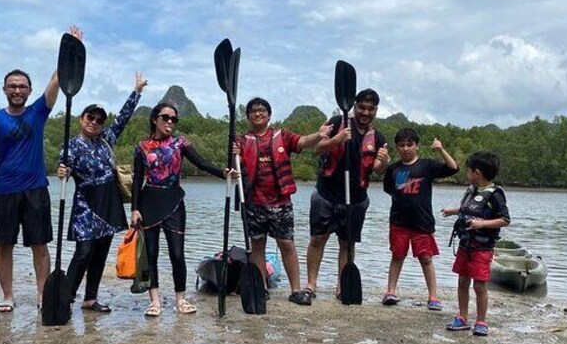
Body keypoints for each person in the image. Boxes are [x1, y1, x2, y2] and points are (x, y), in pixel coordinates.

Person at [0, 25, 81, 312]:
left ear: (29, 90)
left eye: (22, 86)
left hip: (35, 189)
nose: (17, 90)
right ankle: (8, 297)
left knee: (39, 245)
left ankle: (43, 296)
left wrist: (71, 50)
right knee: (4, 246)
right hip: (4, 190)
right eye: (12, 86)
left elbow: (57, 80)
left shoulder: (38, 112)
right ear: (5, 90)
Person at [130, 102, 234, 317]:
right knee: (151, 254)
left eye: (174, 119)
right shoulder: (141, 147)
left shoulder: (180, 143)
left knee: (177, 254)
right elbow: (137, 180)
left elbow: (201, 163)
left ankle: (180, 299)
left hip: (175, 202)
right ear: (154, 119)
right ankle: (155, 301)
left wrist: (222, 173)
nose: (170, 122)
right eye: (165, 117)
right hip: (149, 202)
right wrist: (134, 209)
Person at [56, 72, 148, 312]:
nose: (94, 122)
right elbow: (63, 165)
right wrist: (62, 171)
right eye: (90, 117)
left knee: (100, 254)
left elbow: (123, 120)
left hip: (109, 203)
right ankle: (65, 297)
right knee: (83, 252)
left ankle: (90, 298)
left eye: (99, 120)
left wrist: (136, 92)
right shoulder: (72, 145)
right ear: (81, 118)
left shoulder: (106, 139)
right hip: (86, 205)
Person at [235, 97, 331, 305]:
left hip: (280, 203)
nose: (257, 113)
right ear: (248, 116)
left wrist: (319, 135)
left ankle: (296, 290)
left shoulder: (282, 135)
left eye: (261, 110)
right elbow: (233, 168)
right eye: (253, 111)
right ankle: (261, 288)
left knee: (286, 243)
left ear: (269, 114)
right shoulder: (242, 141)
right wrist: (232, 153)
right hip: (254, 203)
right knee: (257, 246)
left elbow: (303, 142)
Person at [304, 88, 390, 300]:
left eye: (371, 109)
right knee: (318, 238)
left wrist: (385, 161)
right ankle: (311, 284)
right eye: (362, 107)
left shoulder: (377, 137)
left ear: (375, 111)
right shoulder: (337, 121)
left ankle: (342, 286)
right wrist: (337, 140)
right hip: (327, 193)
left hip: (357, 198)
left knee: (347, 243)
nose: (365, 112)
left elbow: (378, 169)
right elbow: (317, 149)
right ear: (354, 106)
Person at [381, 128, 458, 309]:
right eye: (401, 145)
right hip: (398, 222)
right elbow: (388, 189)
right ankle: (390, 291)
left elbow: (453, 168)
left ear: (416, 146)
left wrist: (440, 150)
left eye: (410, 145)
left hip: (422, 222)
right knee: (397, 256)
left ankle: (433, 296)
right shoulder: (393, 169)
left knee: (426, 258)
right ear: (397, 147)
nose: (406, 148)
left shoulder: (427, 165)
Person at [441, 151, 510, 336]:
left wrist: (481, 224)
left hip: (482, 248)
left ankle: (481, 321)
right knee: (462, 281)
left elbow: (504, 219)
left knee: (480, 286)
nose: (467, 174)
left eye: (468, 171)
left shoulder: (495, 194)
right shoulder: (472, 191)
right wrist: (453, 211)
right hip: (465, 246)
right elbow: (467, 209)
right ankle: (462, 317)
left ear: (477, 173)